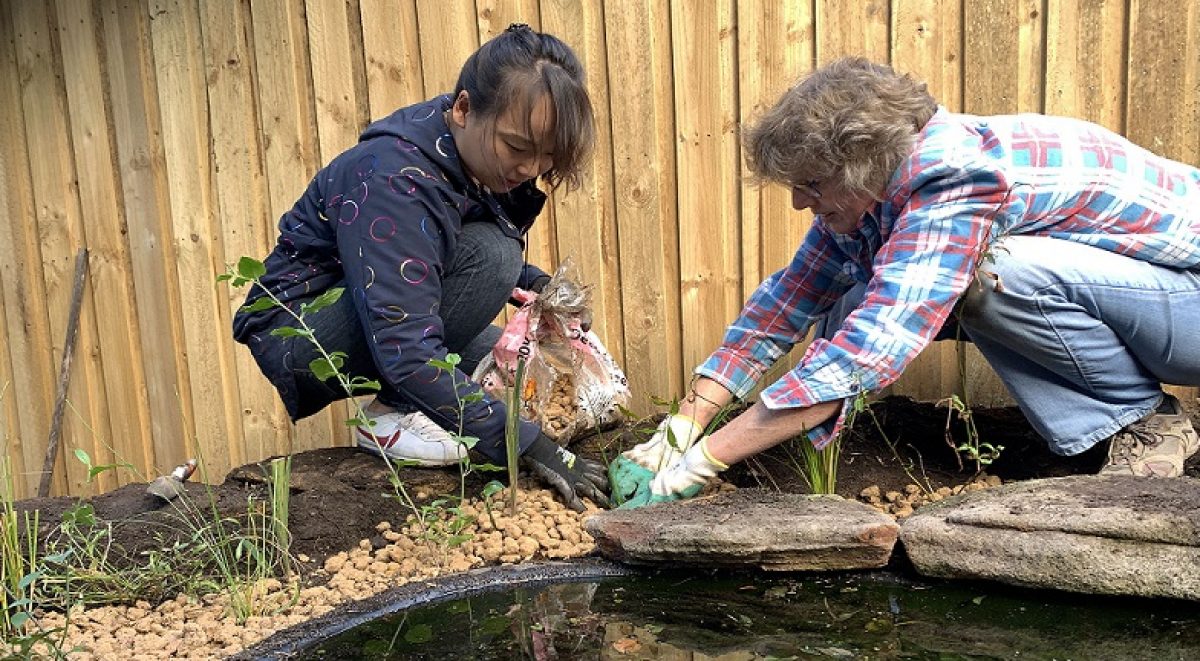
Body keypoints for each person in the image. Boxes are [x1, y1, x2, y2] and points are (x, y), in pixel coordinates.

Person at [613, 56, 1200, 508]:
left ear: (865, 162)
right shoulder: (873, 197)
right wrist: (681, 427)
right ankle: (1117, 419)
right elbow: (785, 305)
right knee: (850, 296)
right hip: (1152, 301)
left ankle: (1147, 426)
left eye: (811, 183)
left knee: (1000, 273)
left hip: (1190, 305)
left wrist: (701, 464)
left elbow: (870, 348)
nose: (797, 202)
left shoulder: (955, 178)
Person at [233, 24, 609, 512]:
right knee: (495, 258)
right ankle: (392, 416)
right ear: (464, 109)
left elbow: (434, 249)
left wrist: (537, 286)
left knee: (502, 362)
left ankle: (415, 407)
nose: (530, 168)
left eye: (547, 155)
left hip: (363, 309)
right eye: (518, 147)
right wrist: (527, 445)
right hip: (301, 333)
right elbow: (408, 344)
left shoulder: (458, 154)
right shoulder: (394, 177)